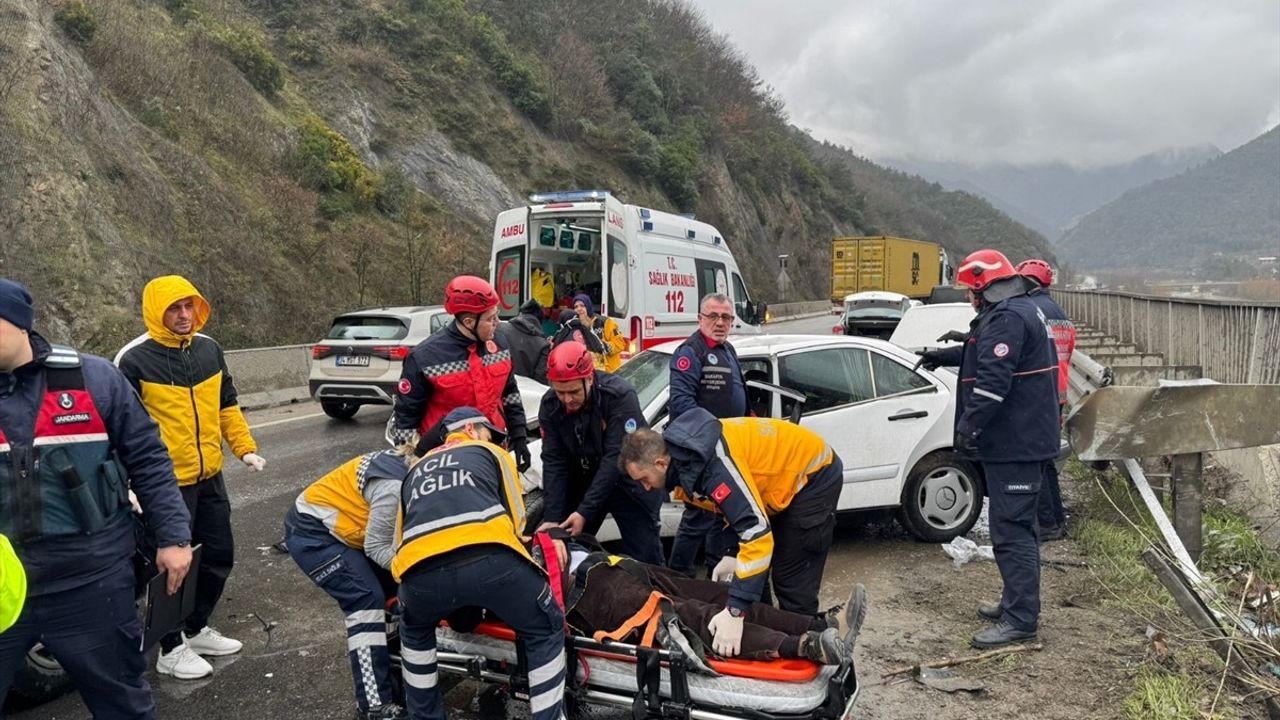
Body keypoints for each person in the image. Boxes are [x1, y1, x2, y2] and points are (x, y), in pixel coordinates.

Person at [0, 277, 193, 717]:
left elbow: (148, 459)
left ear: (19, 323)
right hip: (2, 587)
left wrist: (174, 537)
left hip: (91, 581)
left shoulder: (94, 378)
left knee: (122, 704)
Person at [116, 275, 263, 679]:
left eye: (189, 307)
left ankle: (196, 628)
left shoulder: (209, 350)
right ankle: (170, 646)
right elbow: (121, 428)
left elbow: (226, 405)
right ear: (156, 311)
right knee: (170, 567)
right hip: (161, 485)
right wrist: (128, 483)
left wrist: (244, 448)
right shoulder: (133, 360)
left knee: (217, 555)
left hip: (208, 475)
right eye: (174, 308)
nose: (184, 316)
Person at [916, 249, 1060, 649]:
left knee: (1012, 532)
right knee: (1018, 528)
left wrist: (968, 429)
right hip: (1023, 440)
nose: (968, 297)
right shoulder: (1020, 310)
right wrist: (942, 355)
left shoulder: (1008, 318)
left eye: (970, 289)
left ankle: (1020, 620)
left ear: (984, 285)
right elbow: (984, 353)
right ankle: (1015, 603)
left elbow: (992, 384)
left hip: (1015, 443)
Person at [392, 407, 567, 720]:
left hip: (419, 577)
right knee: (545, 626)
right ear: (472, 430)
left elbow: (399, 545)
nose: (496, 441)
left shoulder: (414, 470)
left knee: (414, 631)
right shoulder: (490, 453)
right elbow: (517, 522)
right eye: (491, 434)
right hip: (490, 564)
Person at [619, 409, 844, 623]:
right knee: (753, 572)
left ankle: (813, 641)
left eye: (644, 479)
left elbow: (755, 531)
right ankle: (772, 630)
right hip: (776, 482)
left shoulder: (712, 464)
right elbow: (728, 508)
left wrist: (736, 610)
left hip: (813, 475)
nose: (646, 488)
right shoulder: (686, 461)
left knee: (790, 577)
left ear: (660, 463)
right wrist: (731, 552)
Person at [558, 545, 863, 664]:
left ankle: (820, 625)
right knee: (682, 615)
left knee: (717, 594)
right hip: (581, 591)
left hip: (603, 563)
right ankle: (804, 645)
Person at [284, 447, 414, 720]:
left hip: (350, 530)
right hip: (314, 533)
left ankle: (396, 685)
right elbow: (377, 546)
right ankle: (373, 706)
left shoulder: (411, 472)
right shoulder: (393, 486)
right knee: (366, 599)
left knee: (393, 597)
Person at [385, 276, 530, 472]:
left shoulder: (500, 344)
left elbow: (509, 393)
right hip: (445, 459)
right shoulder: (424, 357)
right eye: (490, 318)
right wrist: (408, 466)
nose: (497, 322)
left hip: (491, 448)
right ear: (469, 322)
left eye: (496, 315)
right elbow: (406, 418)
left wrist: (519, 435)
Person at [537, 341, 664, 565]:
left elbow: (615, 457)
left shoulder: (618, 396)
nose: (567, 400)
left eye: (574, 392)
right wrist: (553, 517)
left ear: (590, 379)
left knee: (645, 553)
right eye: (560, 392)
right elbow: (554, 460)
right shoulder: (549, 404)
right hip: (587, 474)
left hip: (629, 476)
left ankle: (658, 591)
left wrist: (585, 511)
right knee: (568, 540)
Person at [667, 293, 748, 579]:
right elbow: (682, 405)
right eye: (713, 316)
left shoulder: (729, 351)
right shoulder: (690, 353)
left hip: (728, 451)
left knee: (720, 518)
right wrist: (710, 440)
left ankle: (715, 578)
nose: (720, 322)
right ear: (700, 318)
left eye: (726, 317)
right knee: (697, 518)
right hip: (701, 452)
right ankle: (678, 579)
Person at [1017, 259, 1076, 541]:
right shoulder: (1062, 315)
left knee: (1034, 462)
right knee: (1046, 461)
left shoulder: (1033, 312)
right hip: (1058, 395)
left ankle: (1048, 524)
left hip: (1039, 395)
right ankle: (1055, 521)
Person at [497, 299, 550, 385]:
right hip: (526, 393)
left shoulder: (499, 329)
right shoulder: (543, 345)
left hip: (497, 388)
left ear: (521, 314)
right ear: (540, 320)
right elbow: (540, 380)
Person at [571, 293, 626, 372]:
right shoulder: (576, 327)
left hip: (609, 373)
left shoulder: (605, 322)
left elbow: (620, 344)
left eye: (582, 305)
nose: (579, 309)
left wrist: (603, 347)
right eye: (575, 307)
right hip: (590, 373)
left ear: (588, 306)